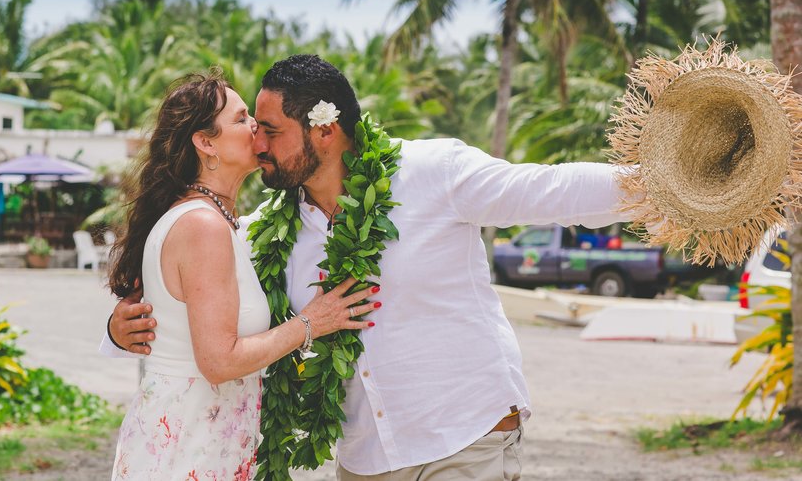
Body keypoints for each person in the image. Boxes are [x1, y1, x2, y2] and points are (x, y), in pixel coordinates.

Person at [105, 56, 633, 480]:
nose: (258, 144)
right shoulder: (268, 230)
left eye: (270, 129)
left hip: (465, 435)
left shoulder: (433, 174)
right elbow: (187, 289)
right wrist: (118, 329)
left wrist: (665, 184)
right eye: (250, 126)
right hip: (367, 459)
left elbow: (552, 189)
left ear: (325, 131)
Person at [106, 72, 378, 481]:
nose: (255, 125)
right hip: (192, 444)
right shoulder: (204, 226)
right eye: (240, 118)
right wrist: (311, 323)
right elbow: (218, 361)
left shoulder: (218, 222)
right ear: (206, 143)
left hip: (196, 434)